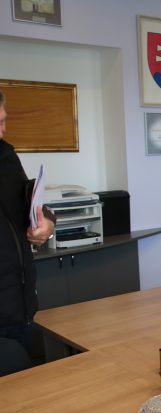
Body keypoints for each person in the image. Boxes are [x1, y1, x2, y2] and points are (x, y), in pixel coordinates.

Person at [0, 88, 56, 360]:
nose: (2, 131)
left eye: (3, 121)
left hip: (21, 308)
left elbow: (30, 204)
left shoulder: (6, 156)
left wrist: (47, 224)